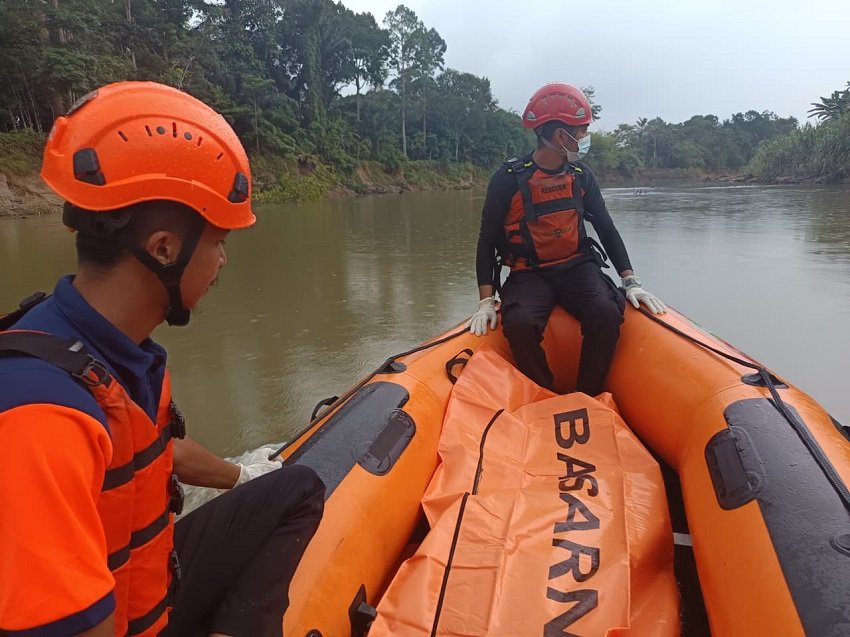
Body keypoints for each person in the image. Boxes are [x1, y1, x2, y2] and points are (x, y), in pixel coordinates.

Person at [0, 82, 325, 637]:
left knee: (296, 489)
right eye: (218, 240)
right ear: (164, 248)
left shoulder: (110, 347)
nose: (223, 261)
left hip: (151, 586)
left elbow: (153, 448)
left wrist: (243, 474)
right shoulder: (40, 414)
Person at [468, 82, 666, 396]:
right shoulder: (508, 179)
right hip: (529, 274)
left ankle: (587, 394)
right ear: (562, 136)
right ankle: (544, 396)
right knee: (518, 324)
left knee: (605, 312)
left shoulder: (580, 174)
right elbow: (487, 239)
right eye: (582, 131)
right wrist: (485, 301)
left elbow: (605, 226)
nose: (585, 138)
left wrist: (630, 280)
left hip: (578, 268)